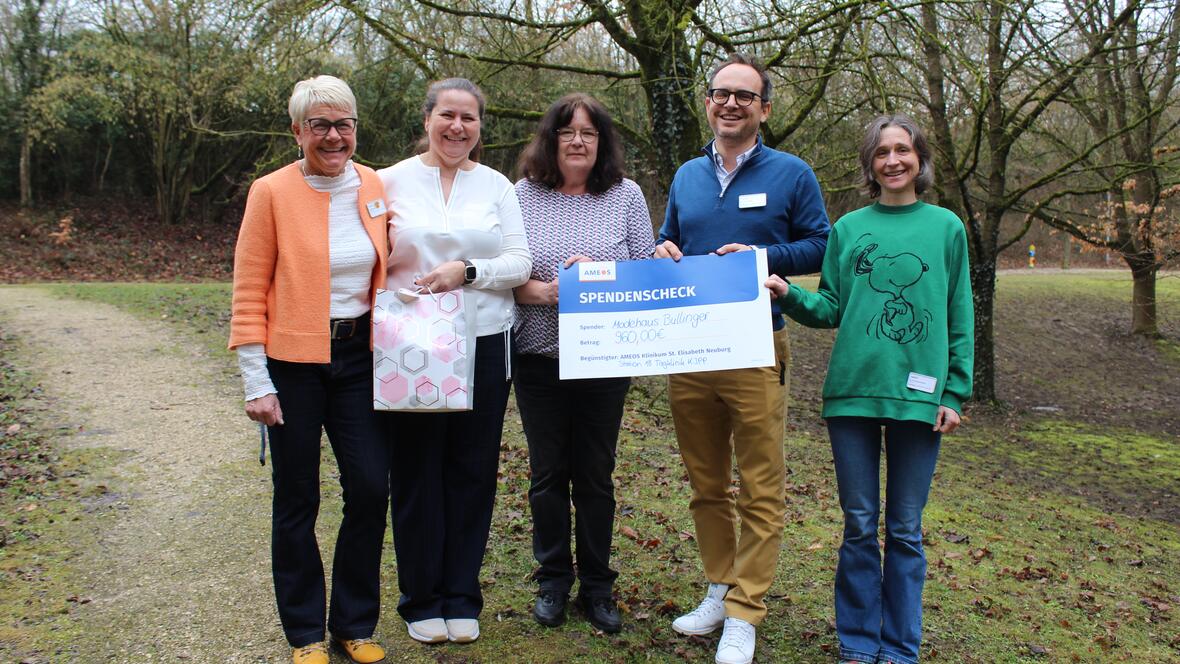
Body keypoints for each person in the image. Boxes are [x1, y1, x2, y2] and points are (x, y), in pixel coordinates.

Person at [765, 114, 974, 664]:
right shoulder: (849, 230)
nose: (893, 161)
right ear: (870, 165)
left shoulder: (947, 228)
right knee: (859, 526)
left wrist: (953, 392)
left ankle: (900, 647)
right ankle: (858, 643)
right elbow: (831, 307)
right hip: (853, 395)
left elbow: (960, 314)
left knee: (905, 529)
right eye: (882, 153)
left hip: (920, 400)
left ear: (919, 158)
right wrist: (787, 294)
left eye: (903, 150)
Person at [655, 53, 830, 664]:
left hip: (757, 344)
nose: (731, 104)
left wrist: (762, 258)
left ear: (765, 108)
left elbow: (819, 245)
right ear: (708, 101)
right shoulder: (686, 175)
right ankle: (719, 585)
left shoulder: (792, 173)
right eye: (721, 93)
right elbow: (670, 238)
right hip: (692, 344)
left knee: (759, 484)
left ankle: (746, 611)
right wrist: (663, 248)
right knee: (706, 483)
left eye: (745, 96)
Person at [228, 75, 391, 664]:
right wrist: (256, 381)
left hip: (361, 358)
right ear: (297, 131)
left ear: (355, 129)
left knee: (371, 489)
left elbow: (394, 266)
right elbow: (249, 289)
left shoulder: (373, 184)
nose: (333, 135)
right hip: (292, 362)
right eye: (319, 124)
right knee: (297, 498)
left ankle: (354, 625)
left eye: (343, 123)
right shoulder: (269, 192)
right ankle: (304, 635)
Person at [377, 77, 531, 646]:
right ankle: (420, 599)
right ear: (427, 119)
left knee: (470, 471)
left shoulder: (496, 186)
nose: (457, 127)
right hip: (411, 343)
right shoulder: (387, 181)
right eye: (447, 115)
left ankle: (462, 595)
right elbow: (370, 258)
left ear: (480, 127)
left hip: (484, 341)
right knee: (417, 473)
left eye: (469, 118)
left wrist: (466, 272)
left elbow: (519, 261)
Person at [512, 93, 656, 633]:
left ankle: (598, 584)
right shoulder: (522, 195)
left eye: (589, 133)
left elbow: (644, 276)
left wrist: (597, 275)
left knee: (595, 475)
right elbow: (505, 277)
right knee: (548, 473)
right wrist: (548, 292)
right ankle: (552, 578)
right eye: (567, 131)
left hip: (603, 361)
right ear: (550, 140)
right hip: (538, 357)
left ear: (602, 143)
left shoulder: (626, 197)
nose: (577, 141)